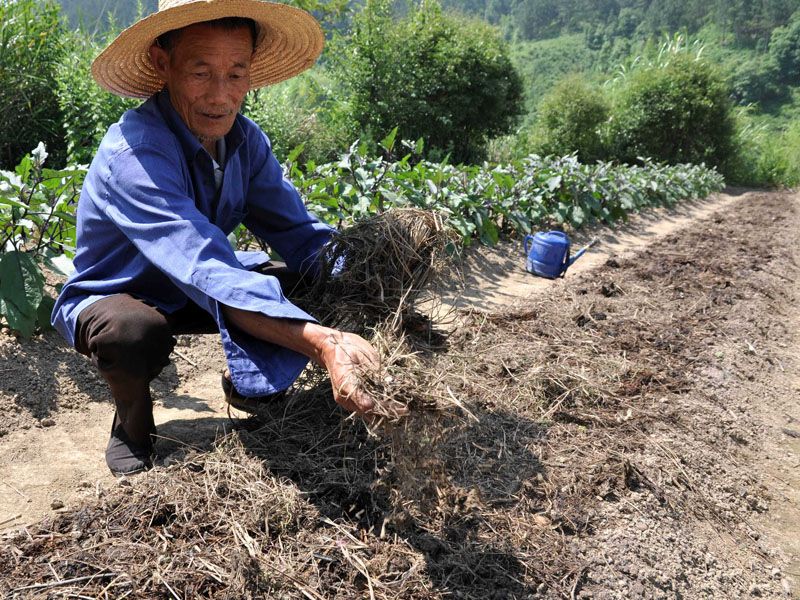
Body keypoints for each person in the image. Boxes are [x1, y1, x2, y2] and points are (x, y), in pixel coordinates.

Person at [51, 0, 380, 476]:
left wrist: (370, 277)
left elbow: (302, 235)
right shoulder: (135, 152)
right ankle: (131, 425)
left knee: (314, 282)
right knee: (133, 333)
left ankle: (255, 389)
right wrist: (326, 343)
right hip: (123, 294)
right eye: (201, 72)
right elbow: (203, 262)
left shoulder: (246, 141)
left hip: (201, 289)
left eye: (236, 74)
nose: (220, 96)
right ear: (164, 65)